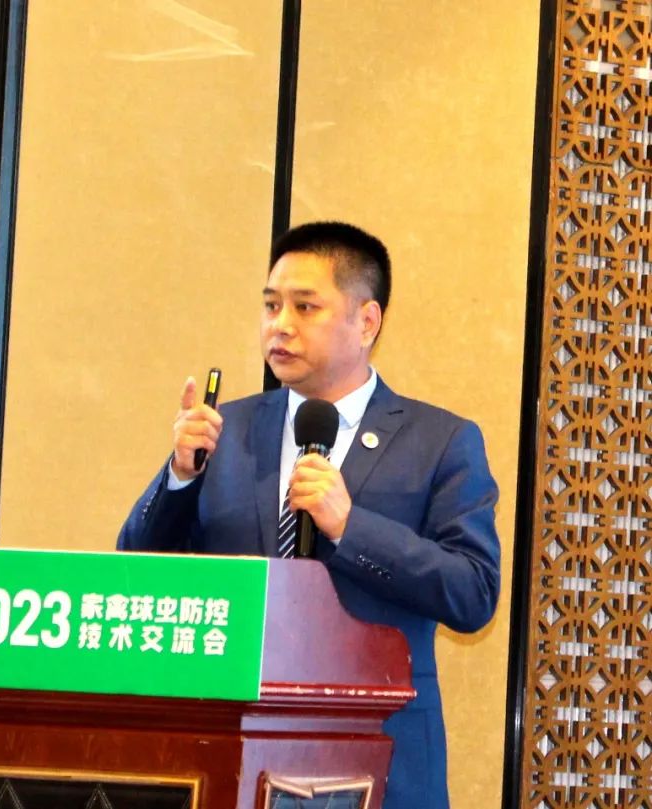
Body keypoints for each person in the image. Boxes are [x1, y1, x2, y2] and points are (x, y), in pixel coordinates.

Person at [117, 221, 501, 809]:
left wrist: (351, 527)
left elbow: (473, 594)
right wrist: (180, 477)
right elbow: (137, 571)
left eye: (305, 306)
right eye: (271, 305)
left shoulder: (440, 441)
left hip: (384, 758)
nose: (280, 325)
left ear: (366, 321)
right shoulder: (227, 430)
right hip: (233, 752)